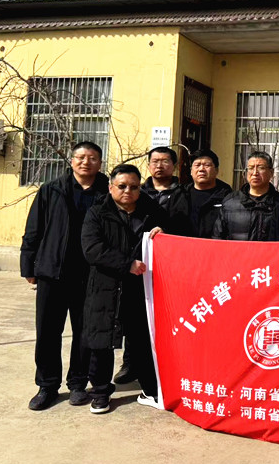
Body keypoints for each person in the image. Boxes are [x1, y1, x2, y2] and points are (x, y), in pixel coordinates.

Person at [20, 141, 109, 411]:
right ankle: (47, 385)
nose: (86, 162)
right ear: (71, 161)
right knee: (48, 331)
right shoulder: (51, 190)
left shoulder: (108, 192)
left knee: (84, 333)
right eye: (80, 157)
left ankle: (78, 383)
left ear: (100, 163)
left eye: (92, 158)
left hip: (91, 274)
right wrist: (28, 266)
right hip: (53, 271)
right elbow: (34, 229)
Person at [81, 164, 167, 414]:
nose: (128, 191)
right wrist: (126, 264)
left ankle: (150, 389)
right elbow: (92, 249)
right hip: (105, 286)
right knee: (102, 341)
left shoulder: (152, 211)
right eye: (122, 186)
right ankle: (100, 393)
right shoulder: (97, 212)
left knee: (142, 341)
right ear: (111, 188)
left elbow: (171, 236)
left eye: (134, 187)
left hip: (140, 288)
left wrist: (163, 232)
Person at [113, 145, 185, 386]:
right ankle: (130, 363)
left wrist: (166, 231)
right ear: (148, 165)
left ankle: (160, 365)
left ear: (174, 166)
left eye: (165, 161)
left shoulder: (184, 194)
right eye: (155, 161)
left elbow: (185, 226)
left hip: (168, 267)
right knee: (133, 317)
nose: (159, 165)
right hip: (134, 265)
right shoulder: (137, 191)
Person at [213, 150, 279, 241]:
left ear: (271, 172)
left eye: (261, 168)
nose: (255, 173)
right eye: (251, 168)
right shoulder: (230, 202)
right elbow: (217, 238)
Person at [182, 149, 232, 238]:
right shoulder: (180, 195)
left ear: (216, 170)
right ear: (191, 171)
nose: (201, 169)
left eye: (207, 165)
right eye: (197, 165)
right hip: (184, 245)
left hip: (215, 245)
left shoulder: (228, 197)